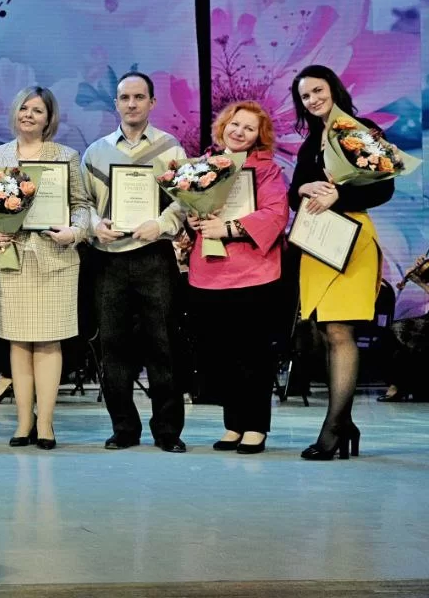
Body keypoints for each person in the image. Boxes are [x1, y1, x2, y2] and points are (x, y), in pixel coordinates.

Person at [81, 71, 189, 452]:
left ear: (152, 103)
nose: (132, 104)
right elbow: (82, 203)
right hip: (108, 259)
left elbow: (185, 200)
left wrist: (160, 224)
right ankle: (124, 429)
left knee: (164, 345)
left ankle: (168, 432)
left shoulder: (171, 148)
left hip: (154, 255)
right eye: (125, 97)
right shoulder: (95, 152)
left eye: (139, 97)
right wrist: (95, 225)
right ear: (116, 104)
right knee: (113, 347)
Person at [289, 65, 393, 460]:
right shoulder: (308, 142)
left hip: (353, 240)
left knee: (339, 330)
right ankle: (346, 424)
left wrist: (341, 197)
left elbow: (384, 189)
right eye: (305, 96)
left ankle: (333, 429)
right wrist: (303, 187)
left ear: (333, 89)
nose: (313, 99)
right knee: (322, 331)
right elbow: (292, 195)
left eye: (318, 91)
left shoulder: (360, 130)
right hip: (317, 242)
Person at [0, 87, 91, 450]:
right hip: (11, 258)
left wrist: (74, 232)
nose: (29, 115)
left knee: (48, 340)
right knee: (17, 341)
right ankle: (23, 422)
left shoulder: (66, 156)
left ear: (49, 119)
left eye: (38, 110)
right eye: (24, 108)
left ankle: (45, 423)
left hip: (54, 258)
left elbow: (81, 205)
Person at [182, 101, 289, 453]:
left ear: (259, 136)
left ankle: (255, 426)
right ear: (224, 126)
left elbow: (276, 214)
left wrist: (227, 228)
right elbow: (192, 211)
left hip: (254, 274)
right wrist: (193, 220)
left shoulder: (268, 170)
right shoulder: (204, 165)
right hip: (209, 273)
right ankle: (233, 425)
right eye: (235, 124)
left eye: (249, 128)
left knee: (253, 354)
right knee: (222, 354)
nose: (239, 132)